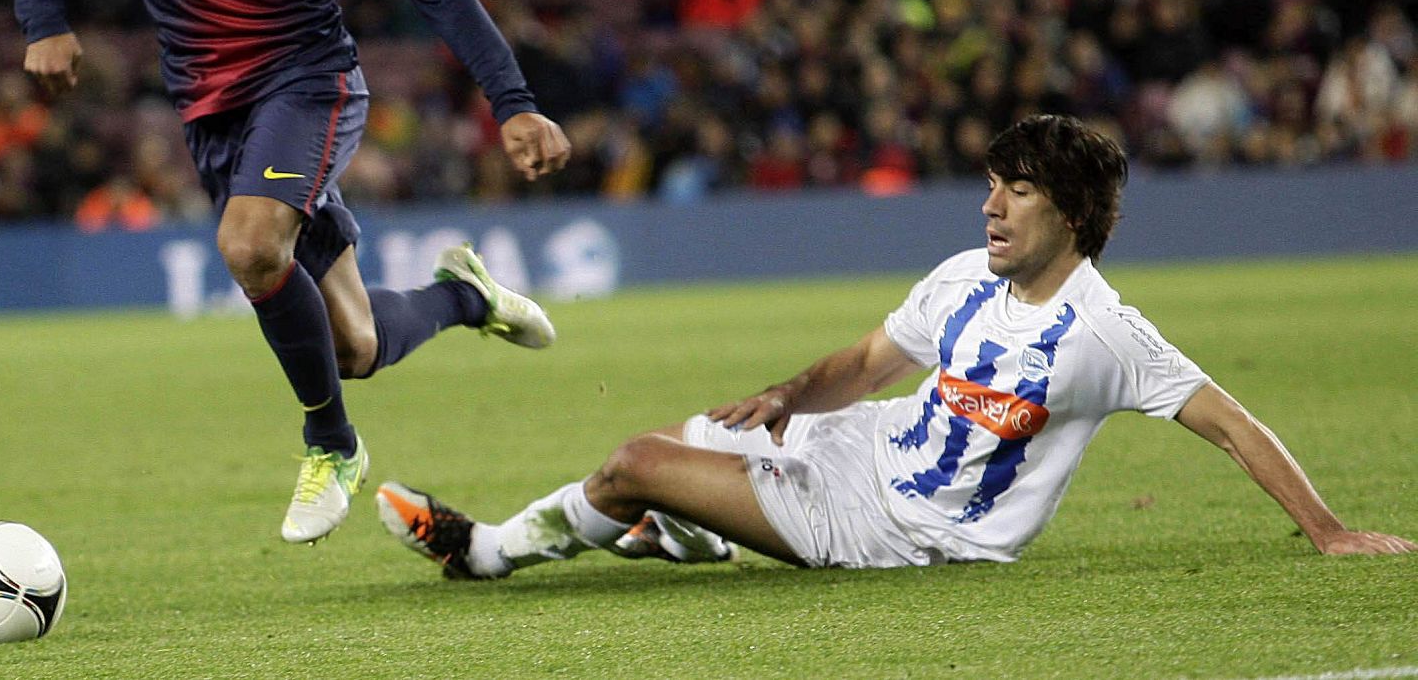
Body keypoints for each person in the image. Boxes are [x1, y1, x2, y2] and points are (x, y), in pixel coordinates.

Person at [14, 0, 570, 546]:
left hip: (306, 83)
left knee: (250, 243)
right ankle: (466, 297)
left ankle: (331, 446)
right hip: (211, 106)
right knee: (353, 347)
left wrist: (511, 101)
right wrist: (42, 17)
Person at [377, 114, 1413, 577]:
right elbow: (870, 364)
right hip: (862, 448)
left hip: (908, 528)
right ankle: (691, 530)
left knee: (635, 466)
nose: (990, 204)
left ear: (1074, 214)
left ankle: (487, 553)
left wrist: (1324, 529)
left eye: (1015, 191)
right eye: (993, 184)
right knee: (682, 438)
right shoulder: (966, 274)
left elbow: (1229, 422)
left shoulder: (1104, 335)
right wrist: (788, 391)